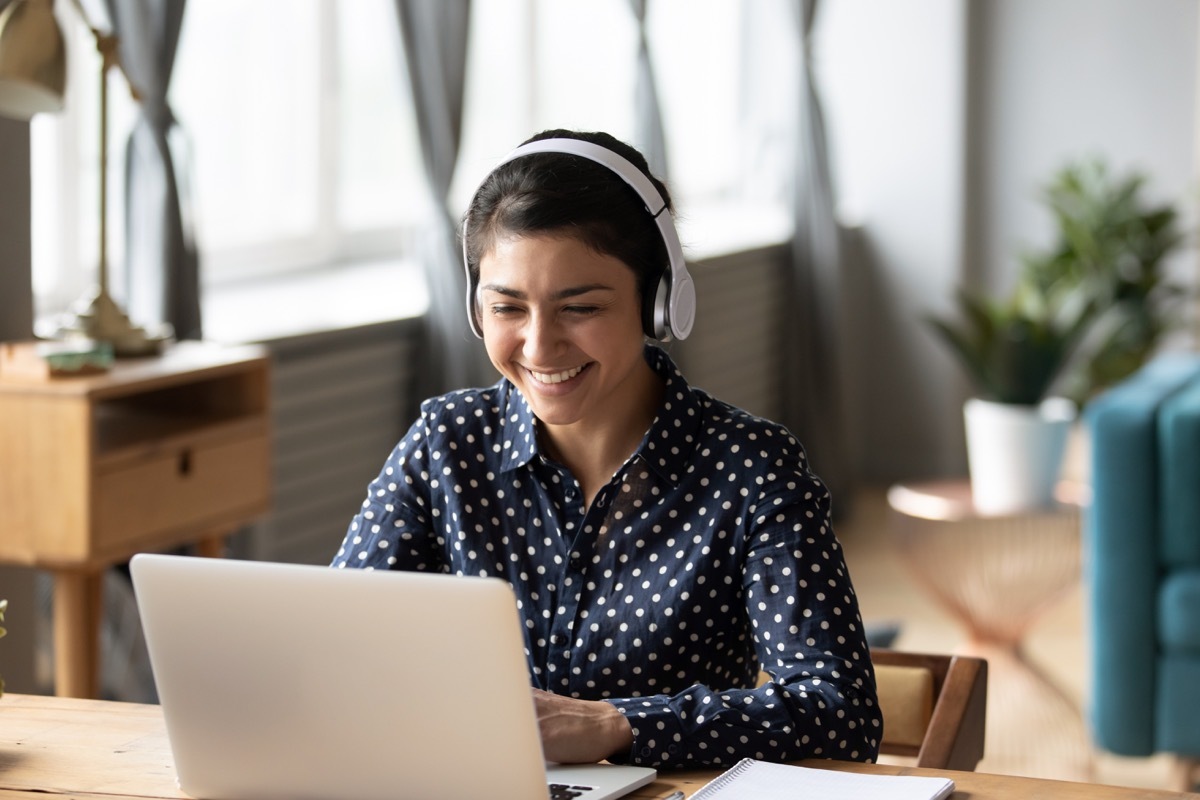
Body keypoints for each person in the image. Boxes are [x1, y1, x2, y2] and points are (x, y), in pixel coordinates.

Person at [331, 129, 881, 769]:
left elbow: (841, 713)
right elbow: (340, 648)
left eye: (580, 307)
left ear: (658, 305)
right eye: (508, 307)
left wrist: (615, 725)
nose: (539, 348)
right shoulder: (445, 444)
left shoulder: (751, 468)